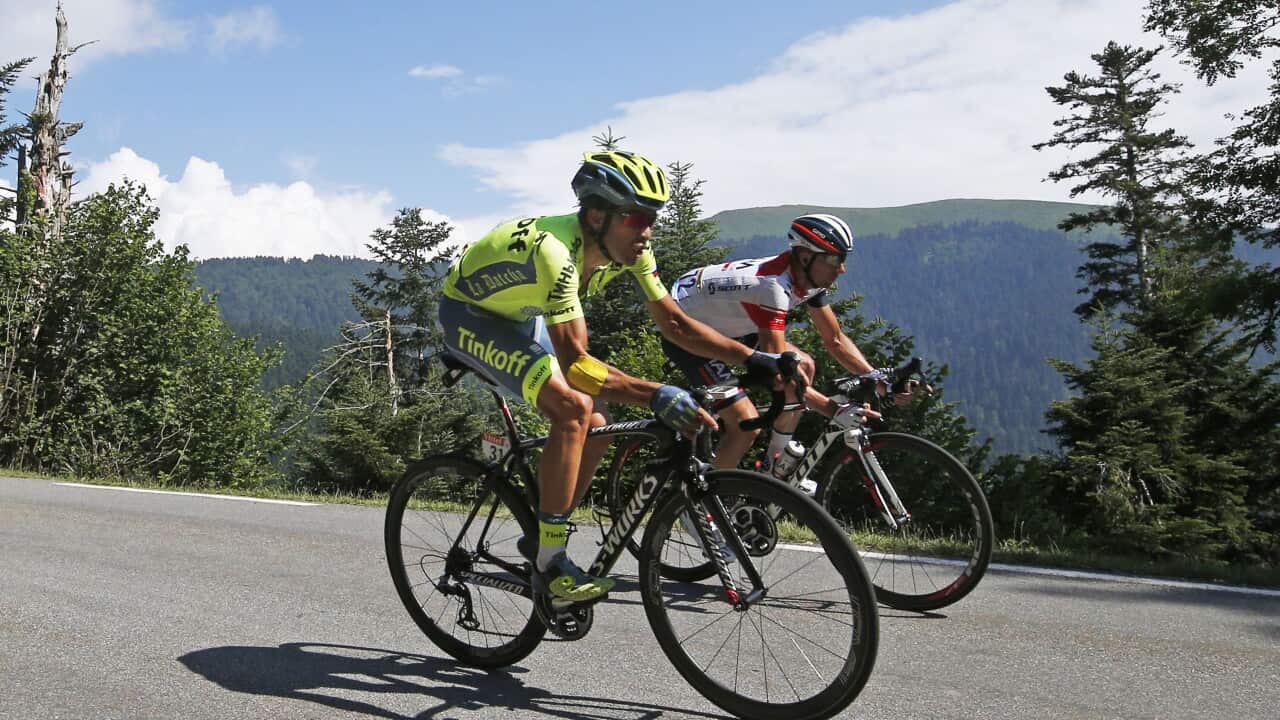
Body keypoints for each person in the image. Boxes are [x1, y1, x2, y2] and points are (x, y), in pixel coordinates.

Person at [438, 150, 788, 603]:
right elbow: (579, 367)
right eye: (635, 218)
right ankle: (550, 558)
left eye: (652, 219)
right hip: (471, 316)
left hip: (521, 316)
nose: (646, 232)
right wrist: (657, 393)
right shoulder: (555, 254)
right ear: (598, 215)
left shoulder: (629, 247)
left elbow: (675, 324)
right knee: (572, 408)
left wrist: (753, 359)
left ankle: (542, 524)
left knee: (599, 424)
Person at [663, 213, 913, 475]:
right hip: (689, 331)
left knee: (804, 365)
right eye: (834, 259)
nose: (841, 268)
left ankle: (774, 469)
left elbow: (836, 340)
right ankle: (702, 507)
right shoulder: (772, 288)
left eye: (843, 259)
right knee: (745, 424)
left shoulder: (808, 278)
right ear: (805, 256)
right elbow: (779, 373)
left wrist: (879, 380)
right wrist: (834, 410)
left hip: (731, 322)